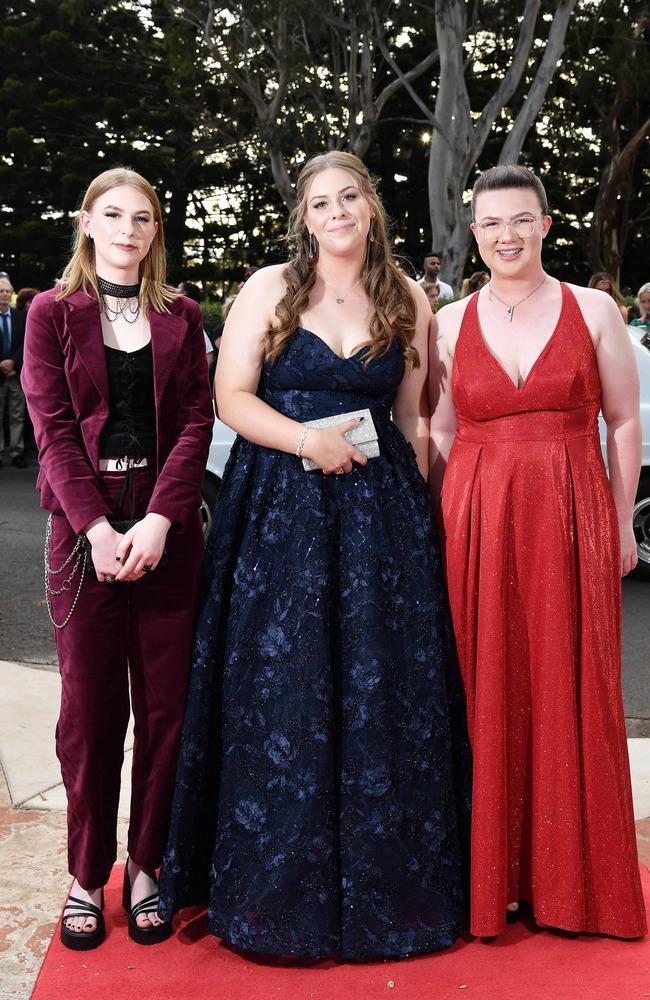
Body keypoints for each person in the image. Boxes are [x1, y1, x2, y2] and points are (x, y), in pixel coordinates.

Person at [158, 150, 472, 961]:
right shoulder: (267, 288)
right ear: (304, 217)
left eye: (348, 198)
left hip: (378, 522)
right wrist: (307, 439)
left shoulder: (409, 297)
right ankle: (272, 896)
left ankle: (388, 896)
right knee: (284, 688)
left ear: (370, 207)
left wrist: (418, 521)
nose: (335, 213)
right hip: (280, 514)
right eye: (319, 202)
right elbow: (231, 396)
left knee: (380, 692)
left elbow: (410, 421)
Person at [429, 163, 646, 940]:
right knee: (484, 685)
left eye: (521, 220)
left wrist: (621, 522)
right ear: (474, 234)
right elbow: (442, 430)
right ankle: (496, 883)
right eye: (491, 224)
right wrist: (434, 523)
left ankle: (574, 885)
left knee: (570, 682)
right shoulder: (448, 321)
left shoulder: (594, 311)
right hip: (477, 519)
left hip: (571, 512)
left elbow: (623, 421)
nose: (506, 236)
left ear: (547, 224)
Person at [21, 168, 214, 951]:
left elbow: (198, 421)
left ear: (155, 230)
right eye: (114, 215)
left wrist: (164, 519)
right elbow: (52, 426)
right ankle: (85, 872)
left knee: (166, 712)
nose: (129, 229)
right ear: (88, 224)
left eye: (143, 217)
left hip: (168, 537)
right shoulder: (49, 313)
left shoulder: (184, 314)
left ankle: (146, 868)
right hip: (82, 537)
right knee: (90, 716)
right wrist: (98, 529)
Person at [0, 272, 28, 468]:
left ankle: (17, 452)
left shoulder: (21, 317)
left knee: (17, 415)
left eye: (7, 291)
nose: (4, 294)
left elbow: (26, 343)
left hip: (16, 373)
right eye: (1, 291)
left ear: (12, 294)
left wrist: (12, 363)